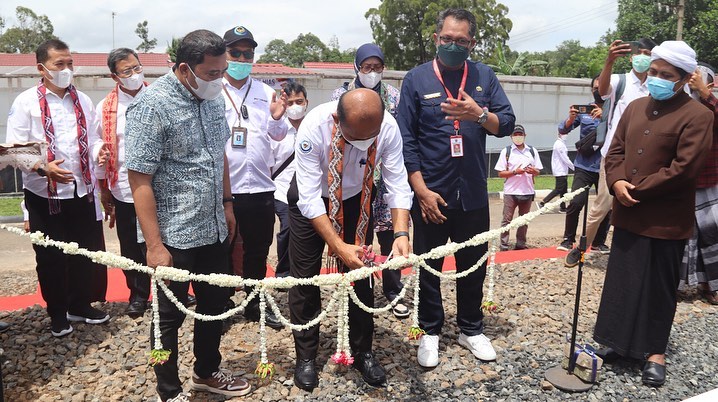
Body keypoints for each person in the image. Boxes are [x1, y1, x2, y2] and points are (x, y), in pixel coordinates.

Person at [125, 30, 251, 401]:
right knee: (167, 317)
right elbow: (139, 180)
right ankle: (168, 389)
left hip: (212, 227)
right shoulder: (152, 106)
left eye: (222, 71)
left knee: (214, 307)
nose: (220, 79)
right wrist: (153, 245)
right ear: (184, 69)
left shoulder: (212, 99)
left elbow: (220, 153)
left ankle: (206, 372)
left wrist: (227, 204)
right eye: (212, 73)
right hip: (173, 236)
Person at [397, 8, 515, 368]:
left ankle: (471, 328)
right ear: (436, 39)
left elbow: (507, 123)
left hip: (473, 194)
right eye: (447, 39)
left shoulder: (484, 76)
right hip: (432, 194)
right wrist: (420, 191)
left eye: (461, 41)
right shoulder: (416, 80)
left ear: (471, 43)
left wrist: (479, 114)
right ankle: (430, 331)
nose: (453, 45)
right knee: (430, 266)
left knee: (473, 264)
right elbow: (406, 140)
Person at [594, 41, 713, 387]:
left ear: (683, 79)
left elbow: (685, 168)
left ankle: (654, 352)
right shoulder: (634, 107)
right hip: (628, 211)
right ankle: (619, 343)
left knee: (659, 287)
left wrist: (637, 190)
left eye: (665, 75)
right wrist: (616, 183)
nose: (656, 78)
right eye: (654, 72)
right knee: (623, 280)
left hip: (666, 218)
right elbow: (614, 151)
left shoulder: (698, 116)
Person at [288, 89, 412, 391]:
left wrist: (401, 234)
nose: (365, 145)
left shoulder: (388, 127)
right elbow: (307, 199)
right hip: (314, 200)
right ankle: (306, 355)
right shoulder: (313, 127)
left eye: (371, 137)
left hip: (358, 197)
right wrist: (337, 245)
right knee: (304, 279)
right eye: (356, 139)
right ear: (337, 119)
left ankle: (362, 350)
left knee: (361, 274)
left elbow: (396, 180)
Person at [6, 38, 109, 337]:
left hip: (81, 192)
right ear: (42, 68)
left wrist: (99, 151)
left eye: (70, 64)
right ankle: (57, 313)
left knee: (84, 253)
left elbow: (91, 141)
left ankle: (80, 305)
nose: (67, 70)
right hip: (43, 195)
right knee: (50, 257)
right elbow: (13, 149)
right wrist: (42, 167)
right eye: (59, 65)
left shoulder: (83, 100)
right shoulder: (25, 102)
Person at [565, 38, 657, 267]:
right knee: (602, 206)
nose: (643, 57)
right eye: (640, 53)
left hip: (646, 157)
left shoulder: (657, 85)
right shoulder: (620, 80)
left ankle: (631, 252)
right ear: (631, 56)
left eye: (648, 53)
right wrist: (609, 61)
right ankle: (581, 246)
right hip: (615, 156)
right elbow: (603, 90)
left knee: (637, 204)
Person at [331, 43, 408, 318]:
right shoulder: (341, 95)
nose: (372, 72)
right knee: (356, 237)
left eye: (377, 68)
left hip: (384, 178)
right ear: (357, 67)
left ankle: (392, 289)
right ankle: (355, 290)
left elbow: (399, 138)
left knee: (389, 237)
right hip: (353, 180)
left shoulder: (394, 97)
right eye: (367, 67)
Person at [221, 25, 287, 330]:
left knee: (258, 249)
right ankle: (219, 306)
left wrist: (276, 117)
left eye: (248, 53)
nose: (243, 58)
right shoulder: (211, 90)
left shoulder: (265, 92)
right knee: (221, 248)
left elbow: (277, 134)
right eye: (236, 52)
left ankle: (254, 303)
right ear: (225, 54)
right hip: (225, 188)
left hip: (260, 186)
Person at [96, 48, 151, 317]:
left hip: (158, 187)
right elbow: (98, 145)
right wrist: (103, 187)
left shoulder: (158, 97)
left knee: (162, 241)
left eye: (137, 68)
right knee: (131, 246)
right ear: (114, 76)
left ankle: (172, 292)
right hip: (124, 188)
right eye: (127, 71)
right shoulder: (106, 107)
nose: (134, 75)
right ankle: (138, 295)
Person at [555, 75, 612, 253]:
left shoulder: (617, 110)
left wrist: (607, 116)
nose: (598, 91)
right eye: (595, 88)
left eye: (601, 88)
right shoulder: (585, 110)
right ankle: (568, 239)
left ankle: (598, 242)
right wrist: (571, 119)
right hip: (584, 165)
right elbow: (563, 129)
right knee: (576, 202)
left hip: (607, 165)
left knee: (605, 206)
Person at [680, 63, 718, 304]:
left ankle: (709, 285)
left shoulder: (712, 103)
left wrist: (705, 94)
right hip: (680, 179)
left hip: (709, 180)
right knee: (680, 234)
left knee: (711, 233)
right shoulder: (678, 104)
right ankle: (672, 284)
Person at [271, 82, 308, 278]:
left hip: (307, 190)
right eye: (291, 102)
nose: (295, 106)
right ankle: (284, 272)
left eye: (299, 101)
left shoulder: (314, 127)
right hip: (281, 189)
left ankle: (302, 271)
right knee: (287, 227)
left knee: (305, 233)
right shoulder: (278, 130)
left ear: (306, 102)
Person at [495, 125, 542, 250]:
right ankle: (504, 245)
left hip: (527, 191)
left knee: (524, 220)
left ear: (525, 136)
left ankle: (520, 244)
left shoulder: (532, 151)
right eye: (515, 134)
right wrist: (515, 172)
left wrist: (533, 171)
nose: (518, 137)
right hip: (511, 191)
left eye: (520, 134)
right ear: (511, 137)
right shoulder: (507, 152)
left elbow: (538, 171)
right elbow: (500, 173)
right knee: (507, 219)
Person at [539, 130, 573, 213]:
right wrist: (574, 167)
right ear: (560, 134)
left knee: (564, 190)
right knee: (558, 189)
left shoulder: (561, 144)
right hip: (560, 170)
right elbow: (565, 158)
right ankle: (543, 202)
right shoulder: (559, 145)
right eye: (564, 133)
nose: (566, 135)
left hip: (562, 171)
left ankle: (563, 207)